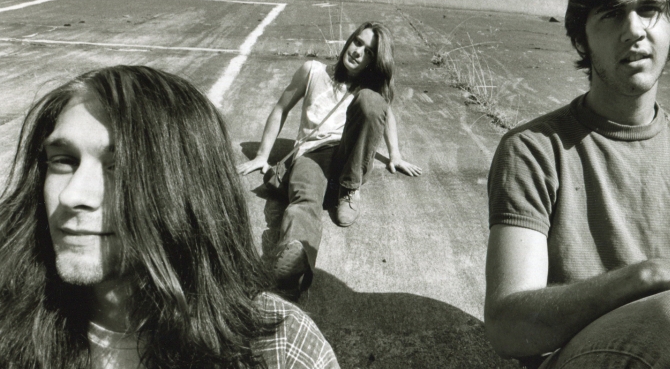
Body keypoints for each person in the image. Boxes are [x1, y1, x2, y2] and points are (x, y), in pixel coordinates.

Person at [485, 0, 670, 368]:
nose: (633, 30)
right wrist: (652, 275)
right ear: (582, 38)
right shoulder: (533, 149)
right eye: (610, 13)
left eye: (649, 9)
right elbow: (506, 327)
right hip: (576, 355)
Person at [0, 65, 339, 368]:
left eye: (119, 167)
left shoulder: (280, 346)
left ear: (189, 189)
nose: (71, 195)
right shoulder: (11, 317)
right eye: (63, 160)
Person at [237, 21, 421, 298]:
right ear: (349, 40)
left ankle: (349, 189)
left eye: (369, 52)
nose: (359, 52)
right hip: (311, 155)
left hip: (351, 156)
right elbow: (280, 108)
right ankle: (294, 265)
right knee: (304, 200)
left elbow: (384, 115)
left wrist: (395, 155)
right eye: (358, 42)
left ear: (374, 62)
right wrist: (263, 154)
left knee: (372, 101)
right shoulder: (312, 71)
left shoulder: (367, 91)